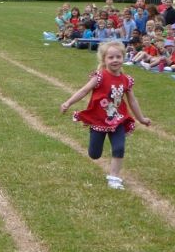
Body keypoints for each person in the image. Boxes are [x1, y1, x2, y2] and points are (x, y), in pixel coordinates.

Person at [60, 40, 151, 189]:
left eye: (118, 57)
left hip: (118, 119)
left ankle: (114, 177)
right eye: (111, 57)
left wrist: (141, 118)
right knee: (94, 154)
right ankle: (96, 148)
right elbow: (84, 91)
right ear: (104, 60)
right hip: (98, 119)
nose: (115, 60)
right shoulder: (99, 77)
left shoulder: (126, 80)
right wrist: (68, 103)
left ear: (123, 57)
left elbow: (132, 101)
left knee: (119, 147)